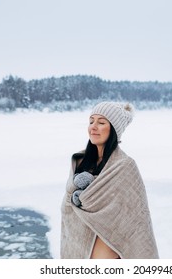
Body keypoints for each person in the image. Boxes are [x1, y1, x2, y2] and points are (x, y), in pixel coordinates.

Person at [60, 102, 159, 259]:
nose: (93, 127)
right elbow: (68, 209)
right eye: (91, 121)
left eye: (101, 122)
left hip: (108, 249)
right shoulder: (80, 162)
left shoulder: (124, 166)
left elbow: (137, 218)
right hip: (79, 246)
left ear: (113, 129)